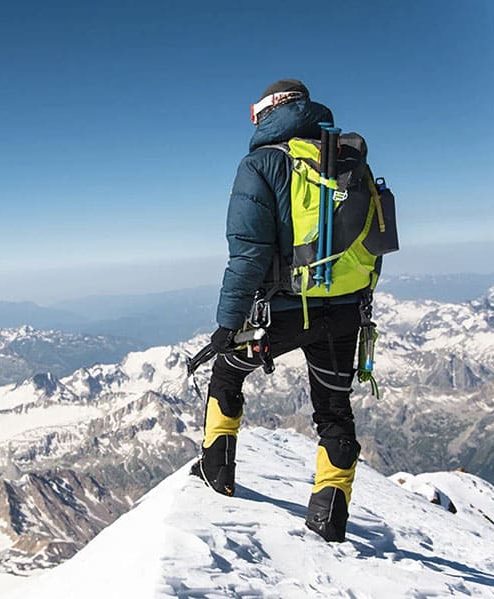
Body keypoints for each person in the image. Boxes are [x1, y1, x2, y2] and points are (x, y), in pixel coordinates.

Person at [194, 79, 364, 543]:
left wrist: (227, 325)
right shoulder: (345, 160)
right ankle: (329, 517)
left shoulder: (263, 164)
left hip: (283, 312)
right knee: (333, 411)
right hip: (346, 310)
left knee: (227, 372)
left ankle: (217, 473)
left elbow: (247, 254)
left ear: (269, 112)